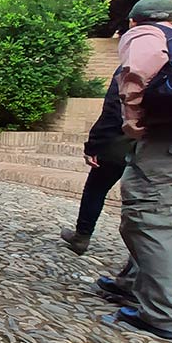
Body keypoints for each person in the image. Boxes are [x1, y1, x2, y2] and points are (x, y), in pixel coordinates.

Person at [98, 0, 172, 341]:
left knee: (149, 221)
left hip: (171, 141)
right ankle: (130, 283)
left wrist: (133, 125)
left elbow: (136, 77)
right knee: (157, 216)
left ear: (134, 21)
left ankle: (160, 315)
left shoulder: (143, 36)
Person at [59, 70, 131, 255]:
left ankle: (82, 236)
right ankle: (142, 262)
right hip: (165, 147)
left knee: (96, 189)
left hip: (123, 142)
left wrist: (94, 145)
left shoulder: (134, 61)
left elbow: (114, 111)